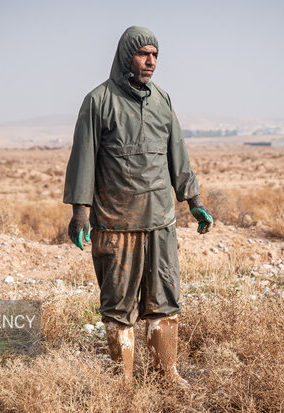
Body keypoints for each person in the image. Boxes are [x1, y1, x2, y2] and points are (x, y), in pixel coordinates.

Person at [63, 26, 213, 386]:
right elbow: (83, 159)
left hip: (160, 221)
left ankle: (168, 375)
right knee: (119, 307)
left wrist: (193, 200)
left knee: (165, 299)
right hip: (116, 224)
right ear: (125, 55)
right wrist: (80, 212)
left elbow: (177, 153)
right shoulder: (98, 101)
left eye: (155, 55)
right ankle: (124, 383)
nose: (151, 62)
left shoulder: (162, 99)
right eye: (143, 54)